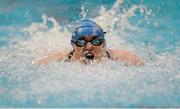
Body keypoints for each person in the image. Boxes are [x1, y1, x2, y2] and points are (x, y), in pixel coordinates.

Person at [33, 19, 144, 65]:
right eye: (81, 42)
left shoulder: (123, 57)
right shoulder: (58, 59)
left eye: (96, 41)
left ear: (103, 44)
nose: (89, 47)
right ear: (73, 45)